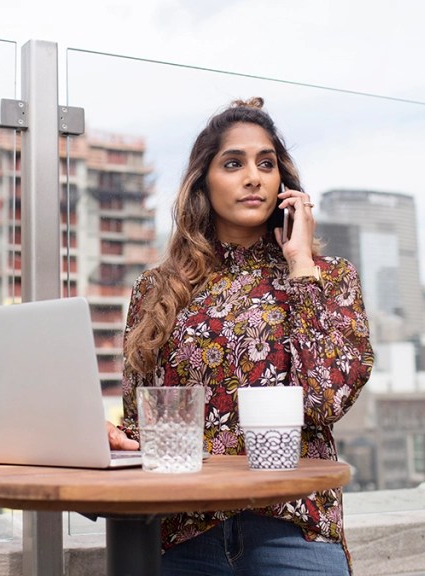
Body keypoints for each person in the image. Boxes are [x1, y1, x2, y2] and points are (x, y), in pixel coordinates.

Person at [106, 97, 374, 575]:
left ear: (283, 184)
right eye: (234, 163)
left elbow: (327, 400)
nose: (253, 177)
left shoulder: (328, 277)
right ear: (203, 184)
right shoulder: (157, 289)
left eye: (266, 164)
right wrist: (107, 439)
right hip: (184, 533)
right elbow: (142, 421)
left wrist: (300, 266)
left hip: (292, 530)